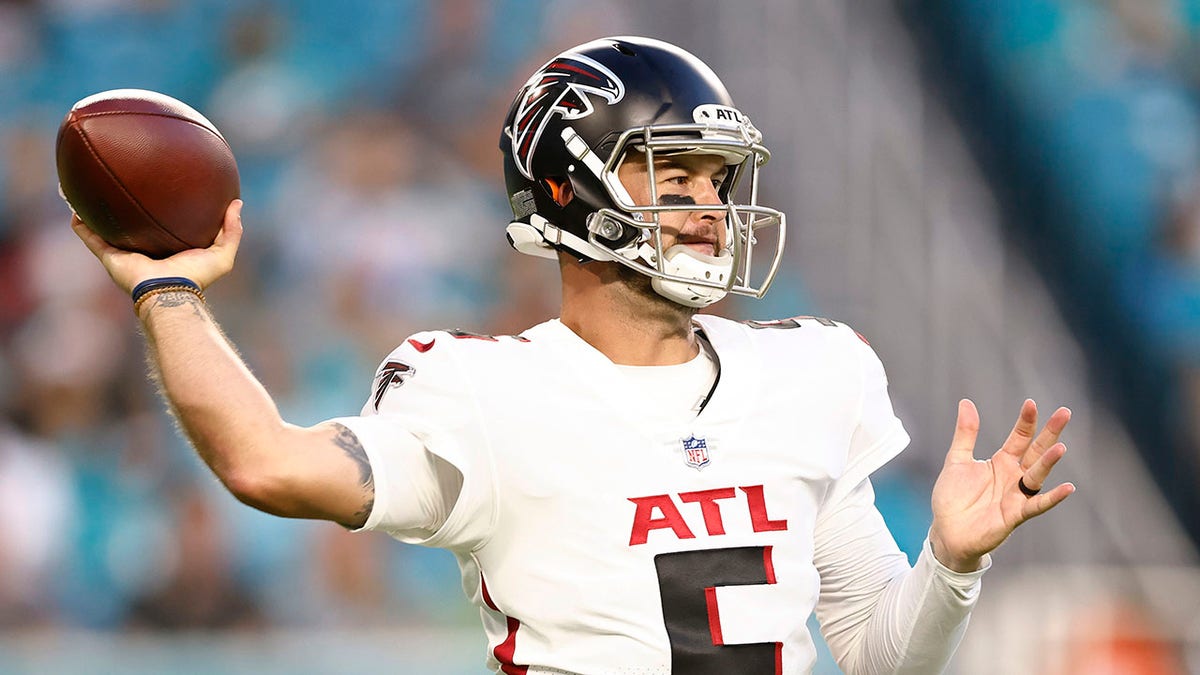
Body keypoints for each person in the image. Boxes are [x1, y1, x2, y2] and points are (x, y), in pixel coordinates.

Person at [70, 36, 1075, 674]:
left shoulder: (811, 373)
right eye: (670, 173)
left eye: (716, 180)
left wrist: (949, 562)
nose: (710, 208)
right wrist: (167, 291)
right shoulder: (479, 391)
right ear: (569, 192)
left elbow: (879, 659)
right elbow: (266, 463)